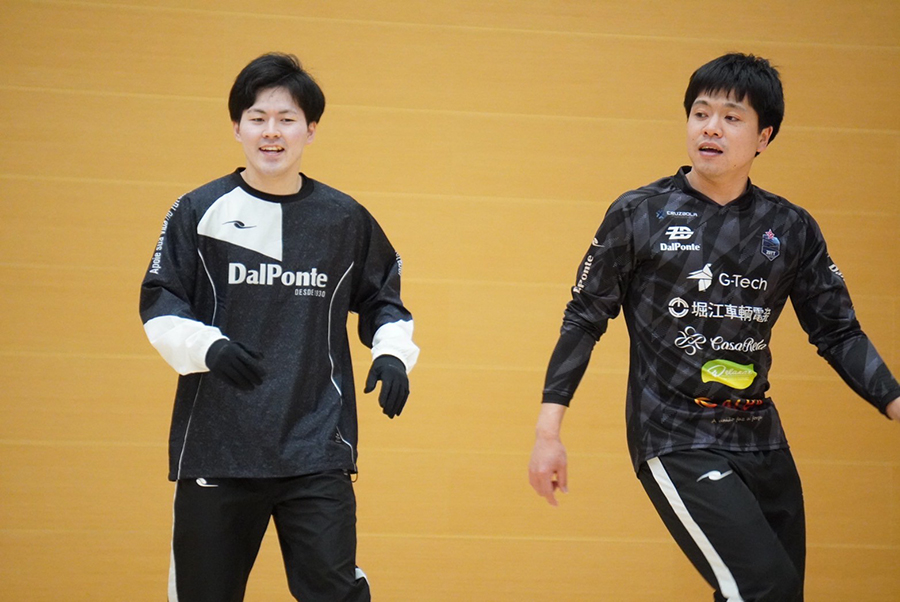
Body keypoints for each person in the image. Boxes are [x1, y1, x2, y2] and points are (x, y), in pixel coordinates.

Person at [528, 52, 900, 601]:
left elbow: (838, 332)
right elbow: (584, 318)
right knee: (763, 587)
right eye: (700, 113)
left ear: (763, 137)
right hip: (675, 435)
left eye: (731, 117)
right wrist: (548, 433)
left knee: (775, 594)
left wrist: (895, 403)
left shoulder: (790, 227)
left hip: (762, 438)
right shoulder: (639, 213)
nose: (711, 128)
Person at [139, 52, 419, 602]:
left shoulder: (344, 219)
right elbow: (160, 300)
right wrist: (208, 347)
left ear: (310, 130)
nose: (272, 132)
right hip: (218, 448)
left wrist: (391, 352)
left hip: (315, 447)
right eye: (258, 118)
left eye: (287, 119)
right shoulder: (199, 209)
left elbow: (384, 299)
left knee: (333, 593)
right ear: (237, 127)